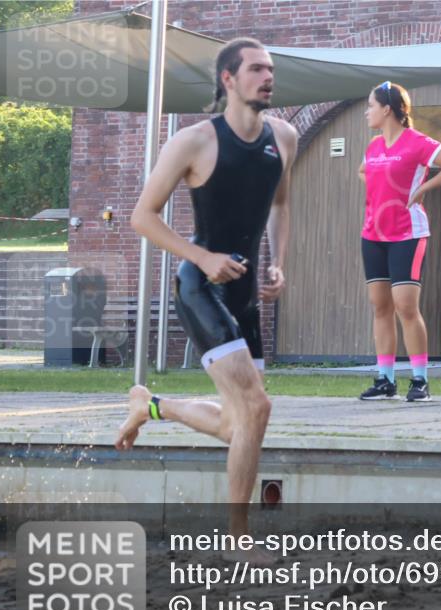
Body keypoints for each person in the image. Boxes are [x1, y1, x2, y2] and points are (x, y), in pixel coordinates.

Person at [114, 38, 297, 560]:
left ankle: (151, 405)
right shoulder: (194, 142)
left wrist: (278, 262)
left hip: (245, 293)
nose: (268, 77)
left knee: (237, 422)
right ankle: (239, 541)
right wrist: (201, 257)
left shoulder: (283, 137)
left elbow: (282, 204)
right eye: (257, 69)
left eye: (271, 69)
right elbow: (142, 216)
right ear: (229, 79)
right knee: (257, 408)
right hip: (200, 289)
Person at [358, 81, 441, 402]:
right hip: (372, 233)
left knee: (406, 307)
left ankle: (420, 380)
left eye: (370, 105)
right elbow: (363, 171)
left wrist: (422, 189)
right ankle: (385, 379)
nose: (367, 111)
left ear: (387, 109)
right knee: (380, 306)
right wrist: (380, 193)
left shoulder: (417, 142)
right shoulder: (374, 146)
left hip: (407, 233)